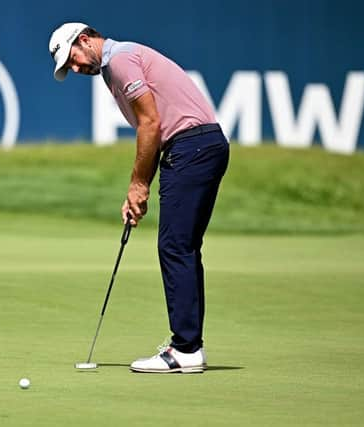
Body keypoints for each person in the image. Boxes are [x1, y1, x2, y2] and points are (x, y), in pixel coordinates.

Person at [49, 22, 229, 373]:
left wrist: (138, 185)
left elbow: (150, 124)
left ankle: (186, 350)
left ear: (84, 40)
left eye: (72, 59)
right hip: (201, 146)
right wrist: (139, 191)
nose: (75, 68)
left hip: (191, 146)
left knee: (175, 246)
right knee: (183, 245)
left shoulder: (120, 59)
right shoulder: (114, 67)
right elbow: (155, 132)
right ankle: (190, 346)